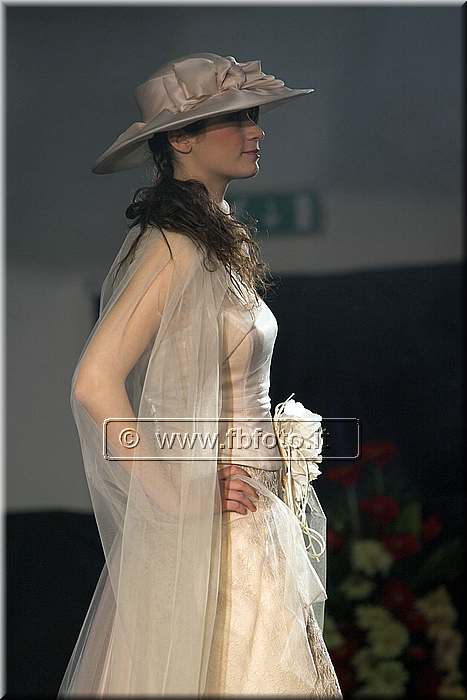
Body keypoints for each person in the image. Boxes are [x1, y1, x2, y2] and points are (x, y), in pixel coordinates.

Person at [57, 52, 342, 697]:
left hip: (246, 524)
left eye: (254, 117)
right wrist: (177, 495)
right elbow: (94, 382)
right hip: (220, 534)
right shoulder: (176, 246)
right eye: (235, 119)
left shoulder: (210, 236)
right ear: (181, 140)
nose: (256, 131)